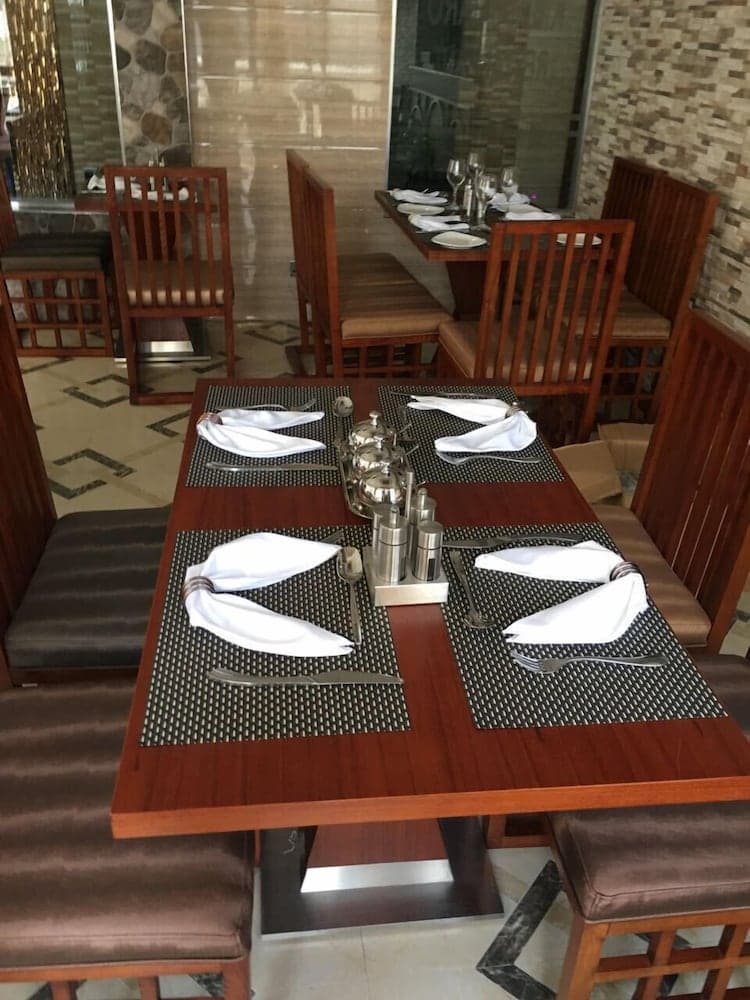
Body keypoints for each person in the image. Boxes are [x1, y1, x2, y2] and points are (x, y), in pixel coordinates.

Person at [0, 90, 15, 195]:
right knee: (7, 167)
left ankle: (10, 191)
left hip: (3, 138)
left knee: (7, 167)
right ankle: (10, 191)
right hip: (4, 137)